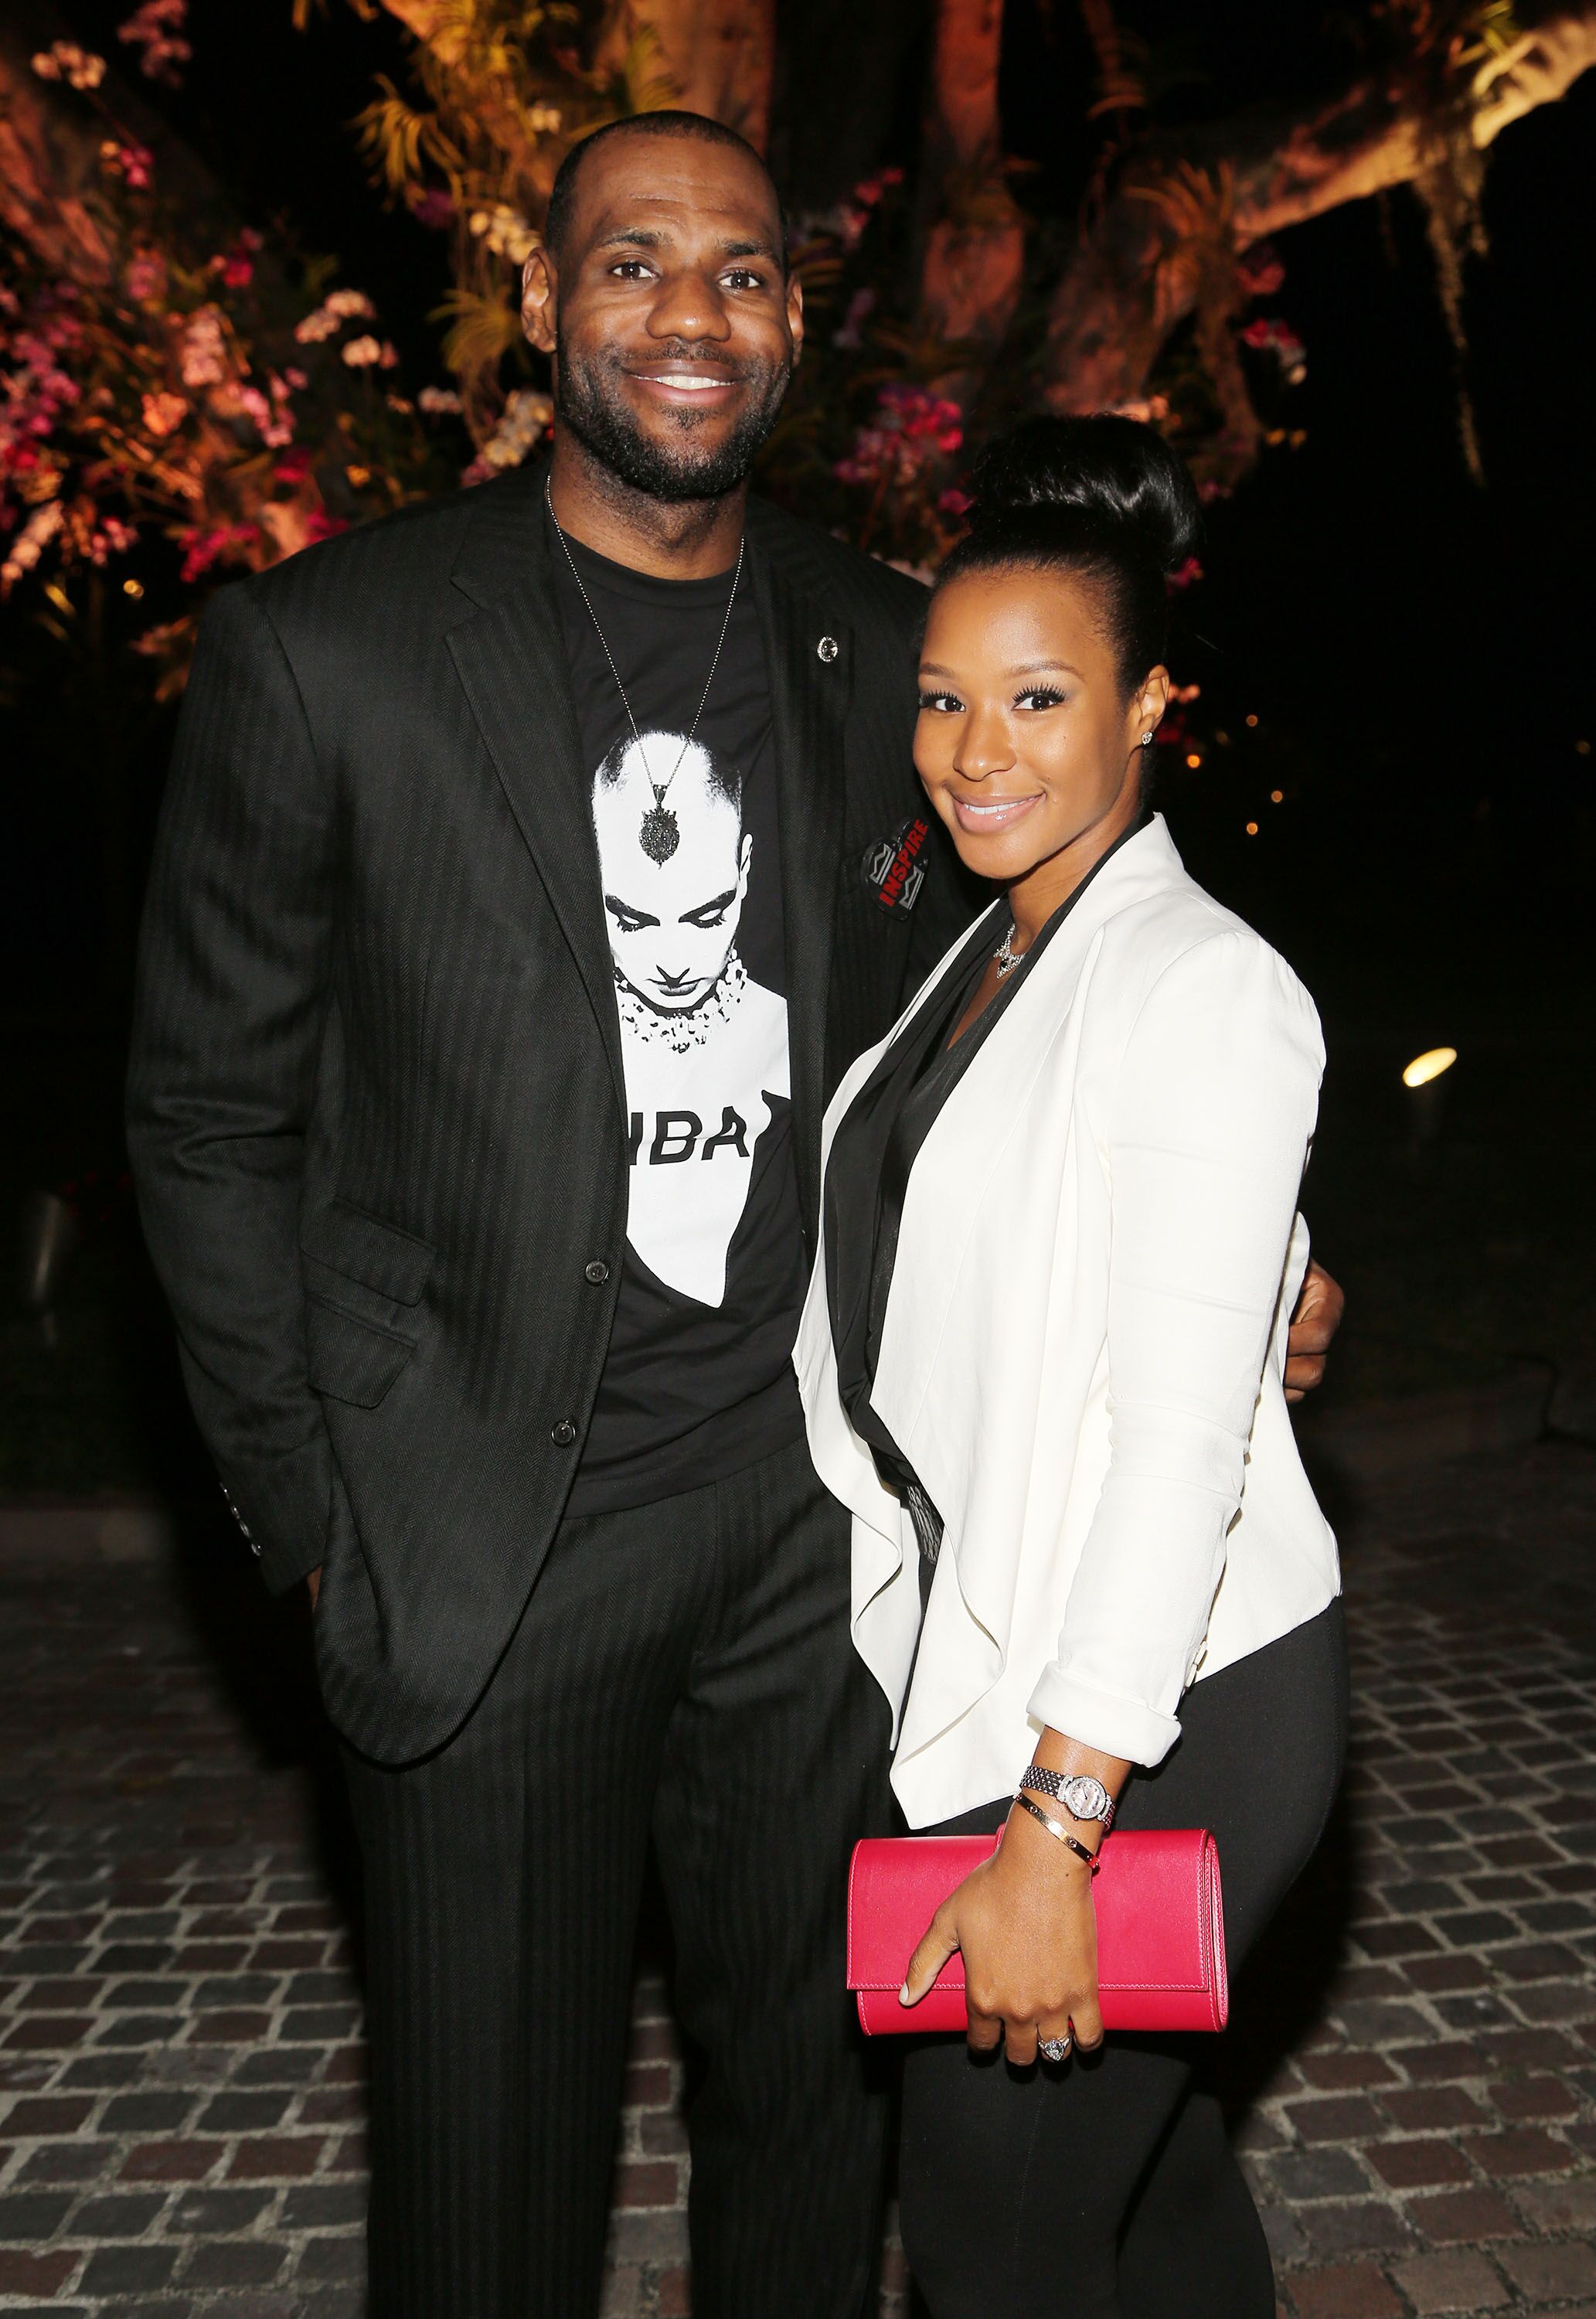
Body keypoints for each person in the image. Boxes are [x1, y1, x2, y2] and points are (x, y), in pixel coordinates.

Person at [125, 108, 1342, 2319]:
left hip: (822, 1554)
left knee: (811, 2135)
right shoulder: (331, 651)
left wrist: (1251, 1247)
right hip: (486, 1542)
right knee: (488, 2195)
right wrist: (313, 1509)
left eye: (745, 273)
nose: (690, 315)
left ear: (792, 317)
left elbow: (1024, 997)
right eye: (633, 263)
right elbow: (205, 1120)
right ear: (547, 294)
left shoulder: (890, 655)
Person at [797, 414, 1347, 2318]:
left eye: (1038, 699)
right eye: (945, 702)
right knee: (1149, 2199)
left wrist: (1055, 1827)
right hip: (1013, 1654)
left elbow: (1181, 1441)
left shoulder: (1200, 981)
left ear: (1148, 709)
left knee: (993, 2241)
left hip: (1152, 1708)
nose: (975, 752)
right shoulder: (985, 954)